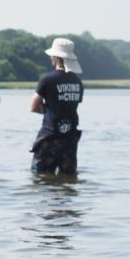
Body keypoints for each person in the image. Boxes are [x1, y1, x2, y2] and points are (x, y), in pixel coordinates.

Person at [29, 38, 84, 175]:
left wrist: (48, 111)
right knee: (68, 180)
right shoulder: (78, 81)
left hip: (49, 137)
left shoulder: (47, 79)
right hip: (70, 139)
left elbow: (33, 106)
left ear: (56, 57)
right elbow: (70, 106)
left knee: (40, 178)